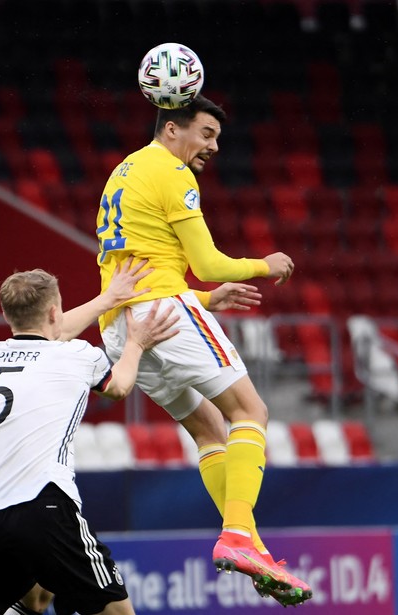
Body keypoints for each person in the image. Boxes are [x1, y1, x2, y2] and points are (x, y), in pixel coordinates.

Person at [94, 95, 312, 606]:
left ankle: (249, 544)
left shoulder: (124, 172)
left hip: (121, 324)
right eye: (207, 134)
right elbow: (208, 260)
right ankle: (239, 534)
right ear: (173, 129)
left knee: (209, 428)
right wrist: (265, 264)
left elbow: (146, 266)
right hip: (166, 314)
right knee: (250, 411)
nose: (214, 146)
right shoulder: (173, 172)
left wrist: (208, 299)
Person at [0, 267, 180, 615]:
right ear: (55, 311)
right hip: (44, 506)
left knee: (34, 599)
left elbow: (49, 330)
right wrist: (136, 343)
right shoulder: (79, 355)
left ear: (8, 315)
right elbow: (119, 386)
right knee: (116, 611)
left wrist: (108, 298)